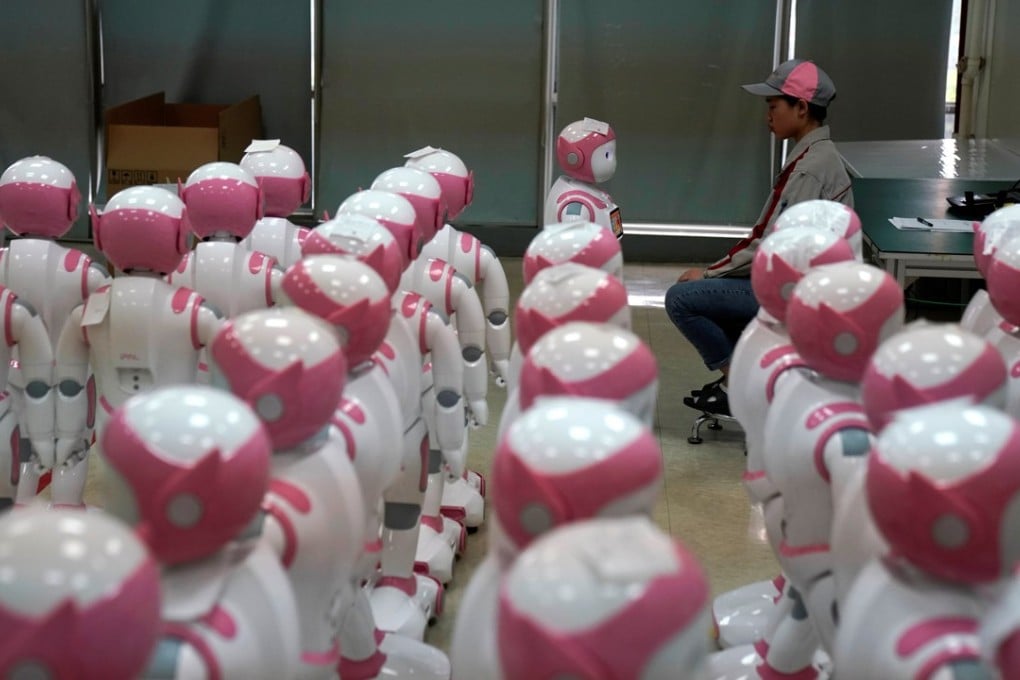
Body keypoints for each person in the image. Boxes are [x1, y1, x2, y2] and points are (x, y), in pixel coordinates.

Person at [664, 58, 854, 416]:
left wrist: (708, 274)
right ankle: (745, 381)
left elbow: (768, 245)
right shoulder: (818, 156)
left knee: (682, 299)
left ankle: (737, 387)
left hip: (798, 296)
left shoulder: (810, 170)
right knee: (716, 295)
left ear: (801, 108)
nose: (767, 115)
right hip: (803, 287)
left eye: (773, 106)